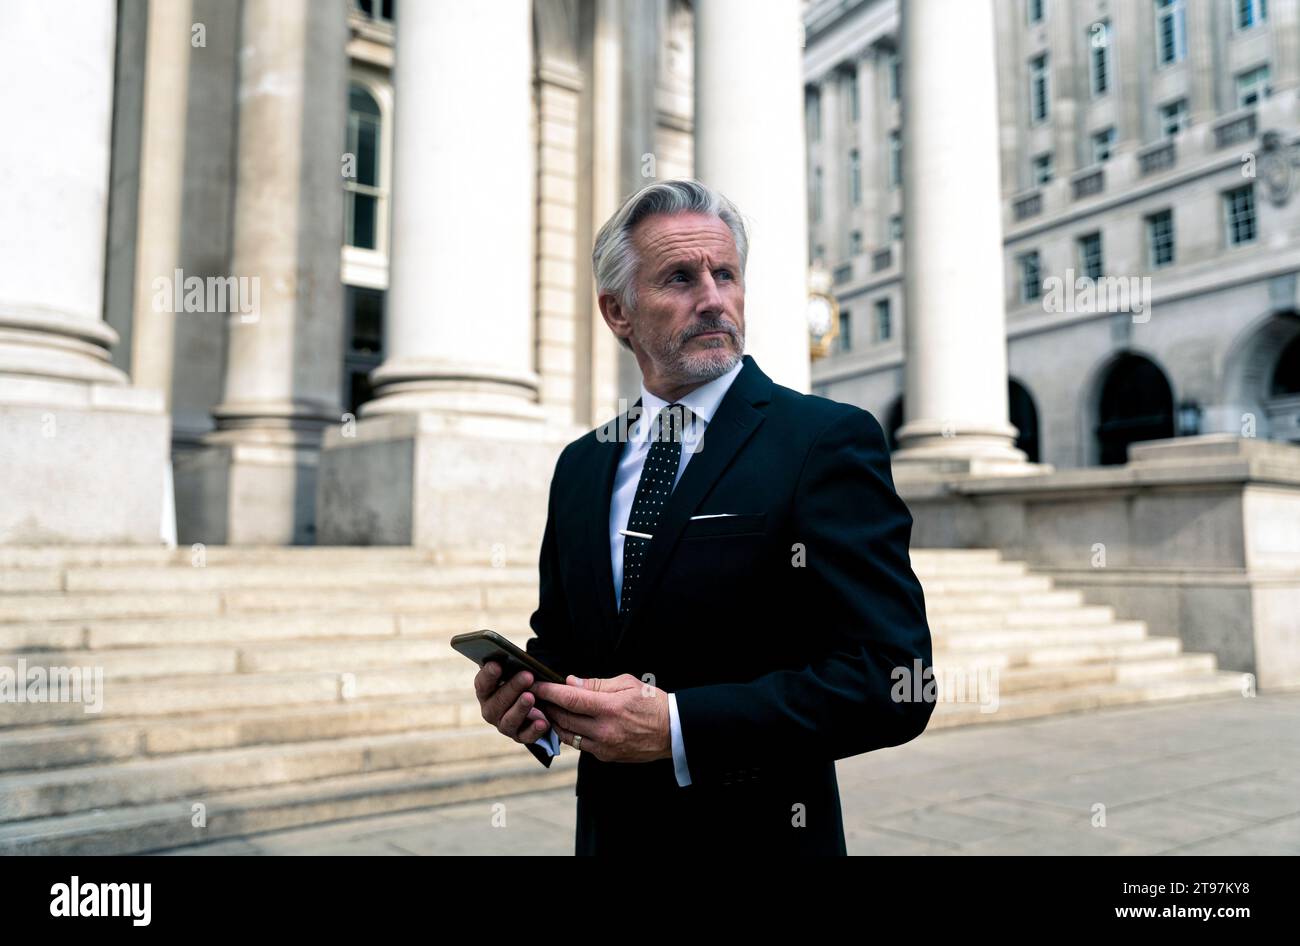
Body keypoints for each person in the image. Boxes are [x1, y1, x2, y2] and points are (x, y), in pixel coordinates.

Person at [473, 179, 934, 855]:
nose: (713, 298)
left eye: (725, 274)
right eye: (680, 278)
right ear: (617, 311)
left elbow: (894, 681)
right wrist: (530, 704)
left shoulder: (824, 441)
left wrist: (678, 727)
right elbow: (567, 645)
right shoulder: (580, 465)